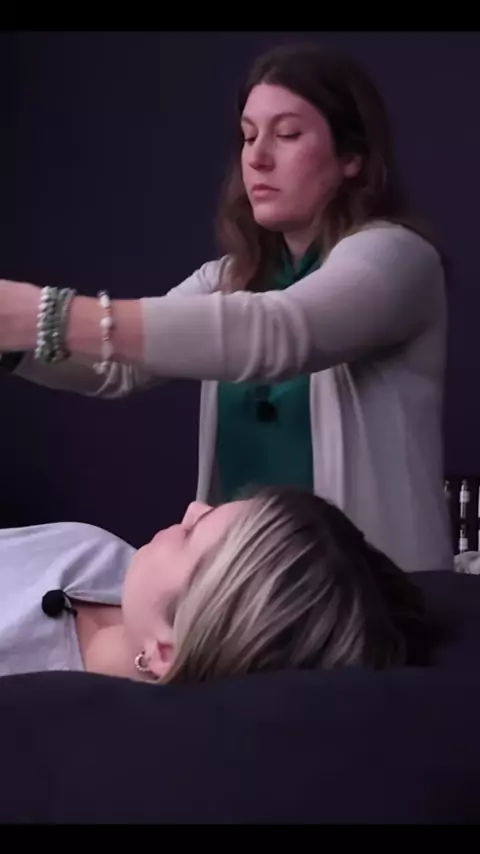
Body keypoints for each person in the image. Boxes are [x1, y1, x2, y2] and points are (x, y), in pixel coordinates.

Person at [0, 43, 453, 573]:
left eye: (287, 134)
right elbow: (116, 365)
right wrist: (11, 341)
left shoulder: (398, 259)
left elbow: (280, 331)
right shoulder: (227, 279)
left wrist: (47, 314)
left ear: (352, 158)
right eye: (248, 135)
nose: (257, 157)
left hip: (378, 598)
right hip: (250, 593)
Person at [0, 486, 432, 681]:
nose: (191, 507)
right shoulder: (93, 551)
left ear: (167, 650)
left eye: (191, 534)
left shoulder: (30, 696)